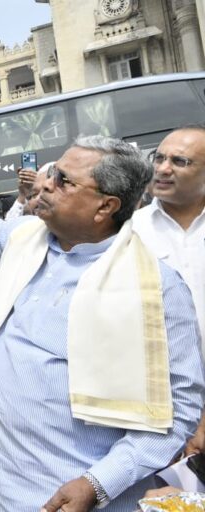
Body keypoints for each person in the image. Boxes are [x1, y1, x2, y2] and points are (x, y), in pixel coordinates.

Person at [0, 110, 205, 511]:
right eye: (52, 172)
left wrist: (98, 483)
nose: (44, 182)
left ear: (105, 207)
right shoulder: (23, 238)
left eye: (63, 180)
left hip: (72, 497)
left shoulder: (157, 288)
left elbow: (178, 410)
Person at [133, 125, 205, 460]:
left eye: (180, 161)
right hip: (163, 404)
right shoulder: (130, 231)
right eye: (159, 158)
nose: (162, 169)